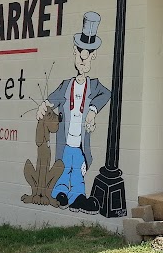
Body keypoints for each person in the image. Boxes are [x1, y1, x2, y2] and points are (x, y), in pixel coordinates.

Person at [37, 11, 111, 213]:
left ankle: (77, 197)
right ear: (75, 53)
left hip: (80, 144)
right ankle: (60, 193)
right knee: (63, 169)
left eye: (87, 56)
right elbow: (52, 99)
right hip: (65, 143)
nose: (82, 60)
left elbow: (106, 94)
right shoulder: (66, 85)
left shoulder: (94, 86)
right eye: (79, 55)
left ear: (93, 56)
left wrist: (93, 110)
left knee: (78, 172)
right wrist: (44, 106)